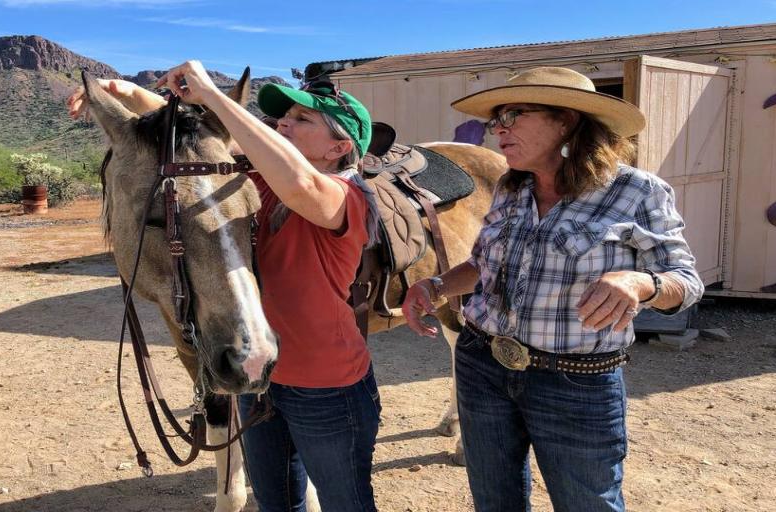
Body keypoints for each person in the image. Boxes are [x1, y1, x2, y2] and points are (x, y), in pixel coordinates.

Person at [68, 61, 382, 511]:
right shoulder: (258, 181)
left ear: (340, 146)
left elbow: (299, 180)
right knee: (279, 503)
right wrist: (127, 94)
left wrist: (214, 96)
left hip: (326, 390)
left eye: (301, 120)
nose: (282, 124)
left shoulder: (341, 197)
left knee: (345, 504)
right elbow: (199, 142)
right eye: (282, 117)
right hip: (264, 381)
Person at [402, 67, 704, 511]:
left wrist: (640, 282)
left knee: (588, 503)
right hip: (481, 364)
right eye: (496, 118)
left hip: (574, 381)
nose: (499, 128)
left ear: (567, 120)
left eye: (515, 114)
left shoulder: (637, 191)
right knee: (493, 500)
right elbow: (483, 264)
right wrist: (435, 285)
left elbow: (686, 281)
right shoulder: (510, 186)